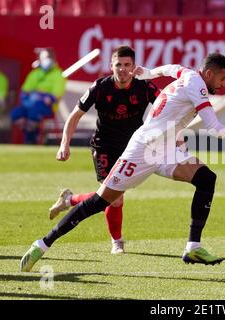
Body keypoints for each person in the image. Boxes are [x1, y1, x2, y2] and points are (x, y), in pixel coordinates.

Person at [20, 53, 225, 272]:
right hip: (143, 149)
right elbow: (215, 128)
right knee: (100, 202)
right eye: (223, 78)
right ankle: (42, 244)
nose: (224, 84)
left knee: (206, 179)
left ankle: (193, 247)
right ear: (209, 73)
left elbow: (171, 68)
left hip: (166, 148)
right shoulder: (197, 85)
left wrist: (149, 72)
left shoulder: (187, 73)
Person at [48, 45, 160, 254]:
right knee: (115, 197)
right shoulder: (100, 87)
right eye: (118, 65)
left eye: (127, 65)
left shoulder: (144, 87)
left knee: (109, 196)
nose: (123, 69)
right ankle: (116, 241)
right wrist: (64, 144)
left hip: (132, 148)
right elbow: (74, 116)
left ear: (134, 67)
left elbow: (167, 108)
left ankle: (70, 199)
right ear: (111, 66)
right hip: (104, 146)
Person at [10, 48, 66, 144]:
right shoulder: (35, 73)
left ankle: (31, 139)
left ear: (53, 58)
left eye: (48, 57)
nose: (46, 60)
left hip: (47, 107)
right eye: (43, 58)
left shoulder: (58, 75)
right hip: (30, 104)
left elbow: (55, 96)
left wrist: (41, 96)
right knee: (16, 113)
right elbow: (25, 91)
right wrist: (30, 98)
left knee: (34, 112)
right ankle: (30, 133)